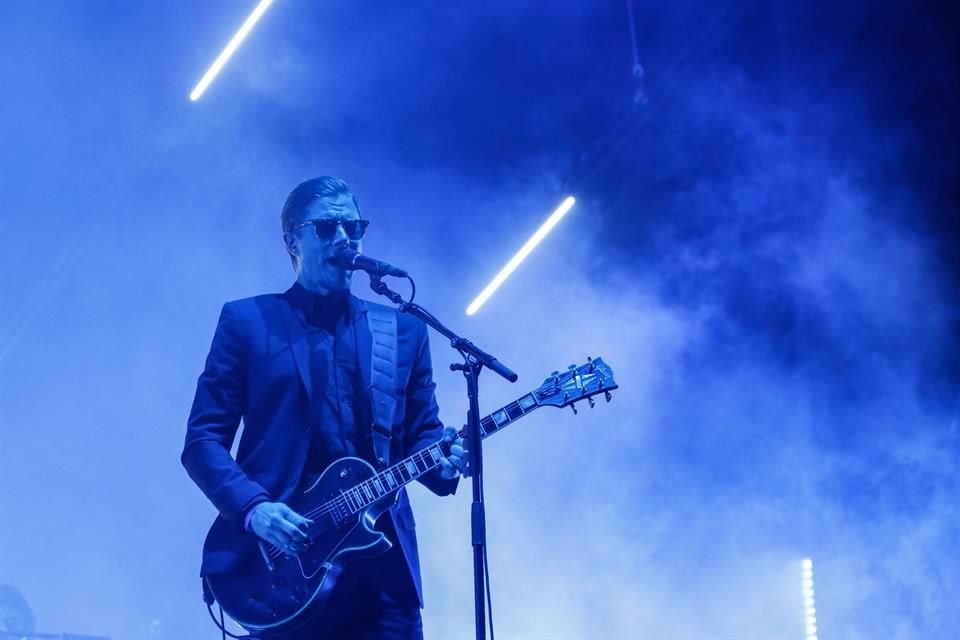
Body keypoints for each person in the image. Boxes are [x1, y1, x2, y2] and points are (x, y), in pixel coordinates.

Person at [182, 176, 468, 639]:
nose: (344, 239)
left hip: (382, 571)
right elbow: (202, 442)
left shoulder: (402, 331)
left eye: (353, 228)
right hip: (284, 564)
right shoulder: (247, 322)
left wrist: (450, 461)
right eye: (327, 228)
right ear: (291, 239)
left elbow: (424, 437)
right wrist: (256, 510)